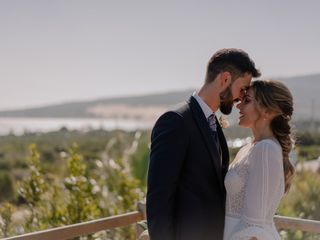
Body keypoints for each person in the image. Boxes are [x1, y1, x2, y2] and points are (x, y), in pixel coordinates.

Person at [146, 48, 261, 240]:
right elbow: (158, 199)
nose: (241, 97)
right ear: (225, 79)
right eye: (242, 89)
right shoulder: (176, 121)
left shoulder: (213, 123)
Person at [223, 80, 295, 240]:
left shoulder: (266, 150)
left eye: (247, 101)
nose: (238, 106)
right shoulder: (249, 148)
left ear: (268, 111)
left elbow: (253, 230)